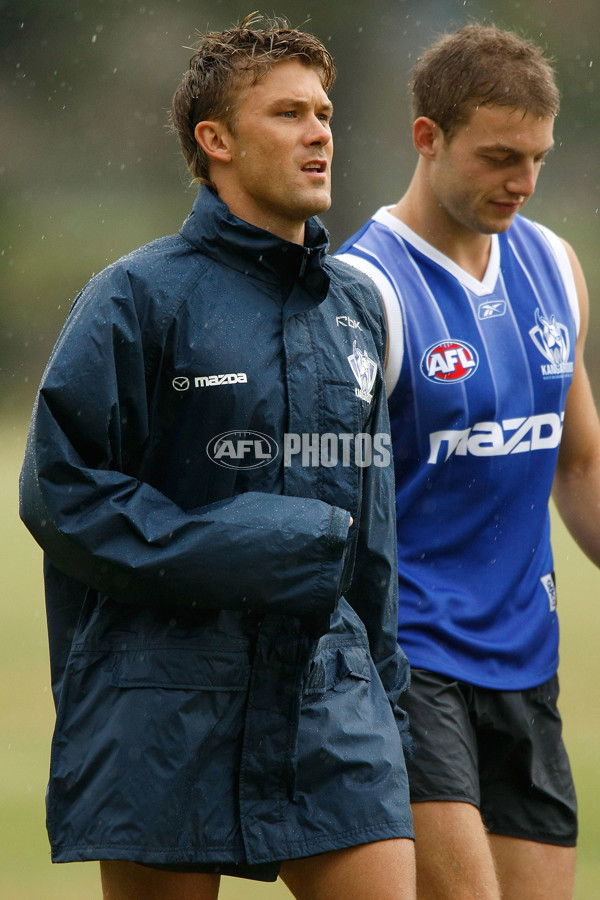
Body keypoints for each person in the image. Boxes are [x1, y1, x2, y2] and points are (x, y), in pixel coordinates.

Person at [18, 14, 417, 900]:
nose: (320, 132)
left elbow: (370, 536)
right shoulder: (135, 294)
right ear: (218, 140)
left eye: (325, 112)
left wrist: (387, 708)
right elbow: (60, 492)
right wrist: (250, 543)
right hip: (161, 704)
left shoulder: (358, 307)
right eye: (288, 114)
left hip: (331, 700)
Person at [337, 23, 600, 900]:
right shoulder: (365, 292)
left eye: (536, 159)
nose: (521, 183)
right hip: (415, 663)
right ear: (427, 137)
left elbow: (581, 461)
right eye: (497, 158)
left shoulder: (556, 267)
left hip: (528, 659)